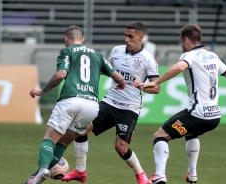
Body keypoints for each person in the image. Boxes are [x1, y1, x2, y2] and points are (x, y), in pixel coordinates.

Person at [134, 24, 226, 184]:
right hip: (214, 117)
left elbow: (179, 67)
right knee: (191, 132)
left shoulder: (189, 56)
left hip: (197, 113)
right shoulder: (213, 56)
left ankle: (159, 176)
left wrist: (155, 82)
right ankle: (192, 174)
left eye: (181, 41)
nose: (180, 45)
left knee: (160, 136)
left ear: (186, 40)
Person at [61, 21, 160, 184]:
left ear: (141, 37)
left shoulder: (148, 59)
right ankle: (80, 171)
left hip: (129, 109)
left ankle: (141, 175)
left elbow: (156, 88)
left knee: (121, 149)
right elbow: (105, 69)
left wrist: (144, 86)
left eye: (131, 36)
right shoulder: (117, 51)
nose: (126, 39)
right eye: (125, 35)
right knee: (81, 130)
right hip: (109, 102)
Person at [25, 25, 126, 184]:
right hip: (92, 106)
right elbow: (117, 76)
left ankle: (43, 168)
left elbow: (60, 75)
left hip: (70, 100)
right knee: (63, 142)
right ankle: (34, 178)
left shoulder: (67, 51)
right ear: (83, 40)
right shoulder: (98, 55)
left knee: (50, 138)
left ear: (66, 38)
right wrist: (121, 84)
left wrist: (43, 91)